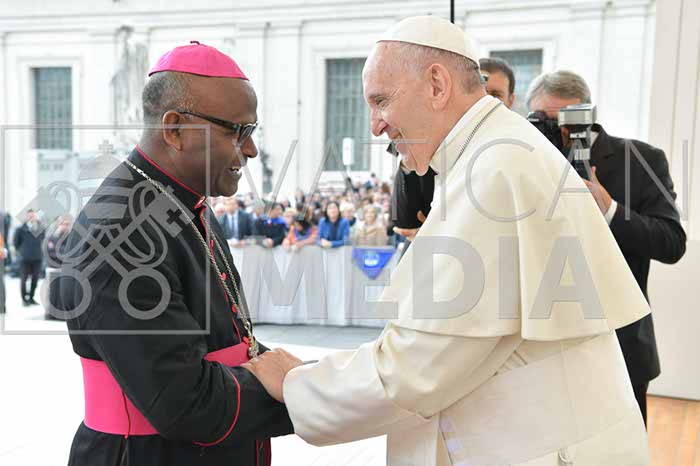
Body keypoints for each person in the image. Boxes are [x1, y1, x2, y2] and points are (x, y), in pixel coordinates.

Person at [246, 16, 652, 465]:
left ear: (437, 85)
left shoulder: (493, 170)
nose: (375, 127)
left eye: (381, 101)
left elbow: (419, 367)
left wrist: (298, 383)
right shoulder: (490, 151)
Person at [51, 41, 294, 466]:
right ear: (175, 128)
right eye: (238, 131)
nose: (251, 150)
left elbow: (228, 341)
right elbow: (184, 403)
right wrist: (306, 391)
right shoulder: (119, 232)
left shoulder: (187, 203)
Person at [527, 70, 687, 426]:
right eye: (544, 121)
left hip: (619, 343)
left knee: (623, 449)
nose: (557, 132)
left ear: (588, 115)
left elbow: (671, 243)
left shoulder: (641, 160)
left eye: (566, 121)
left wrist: (610, 208)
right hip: (540, 349)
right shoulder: (522, 163)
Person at [390, 56, 518, 238]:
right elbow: (404, 223)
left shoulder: (518, 150)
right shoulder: (436, 141)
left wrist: (442, 234)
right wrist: (409, 153)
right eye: (481, 93)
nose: (486, 102)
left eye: (495, 95)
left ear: (511, 100)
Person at [14, 209, 45, 306]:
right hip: (25, 258)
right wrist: (23, 252)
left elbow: (43, 239)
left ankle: (31, 297)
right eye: (30, 216)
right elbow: (16, 243)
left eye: (33, 216)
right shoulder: (20, 229)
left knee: (35, 279)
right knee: (24, 279)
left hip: (37, 258)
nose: (31, 218)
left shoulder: (40, 228)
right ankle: (24, 299)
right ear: (27, 217)